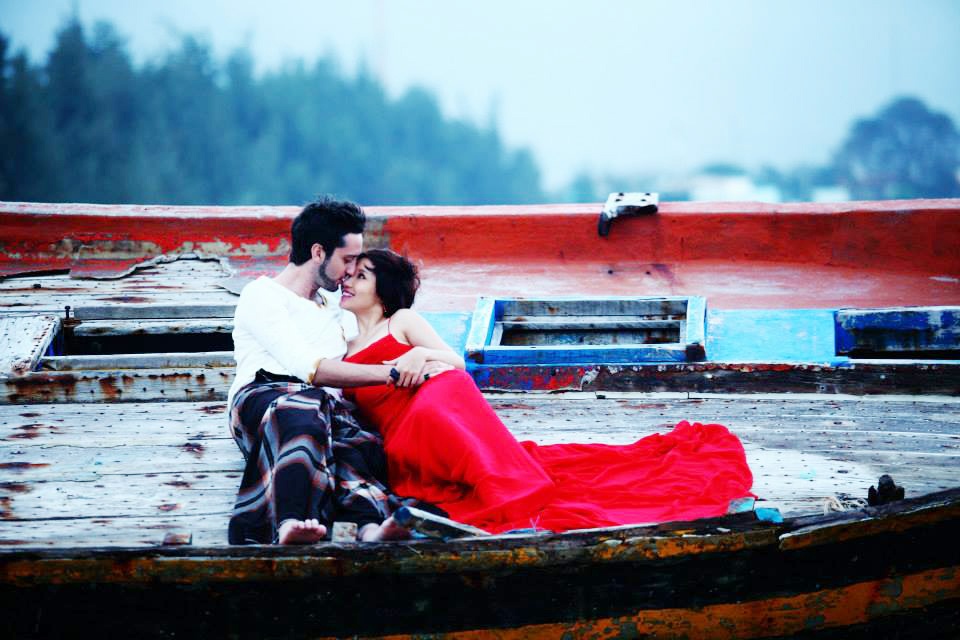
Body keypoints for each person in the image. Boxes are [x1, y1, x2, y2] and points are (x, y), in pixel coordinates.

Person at [341, 249, 755, 534]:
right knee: (433, 414)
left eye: (361, 276)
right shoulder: (343, 348)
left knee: (446, 390)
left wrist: (419, 354)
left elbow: (456, 362)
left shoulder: (402, 321)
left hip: (432, 403)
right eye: (350, 275)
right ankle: (491, 480)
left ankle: (502, 485)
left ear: (383, 290)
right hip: (401, 436)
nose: (349, 282)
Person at [227, 198, 438, 545]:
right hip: (265, 397)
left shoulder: (336, 308)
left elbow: (372, 340)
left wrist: (420, 354)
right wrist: (392, 374)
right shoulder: (263, 295)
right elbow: (311, 369)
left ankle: (369, 529)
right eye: (348, 259)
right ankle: (288, 522)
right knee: (302, 412)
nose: (351, 270)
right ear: (318, 252)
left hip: (324, 406)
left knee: (357, 444)